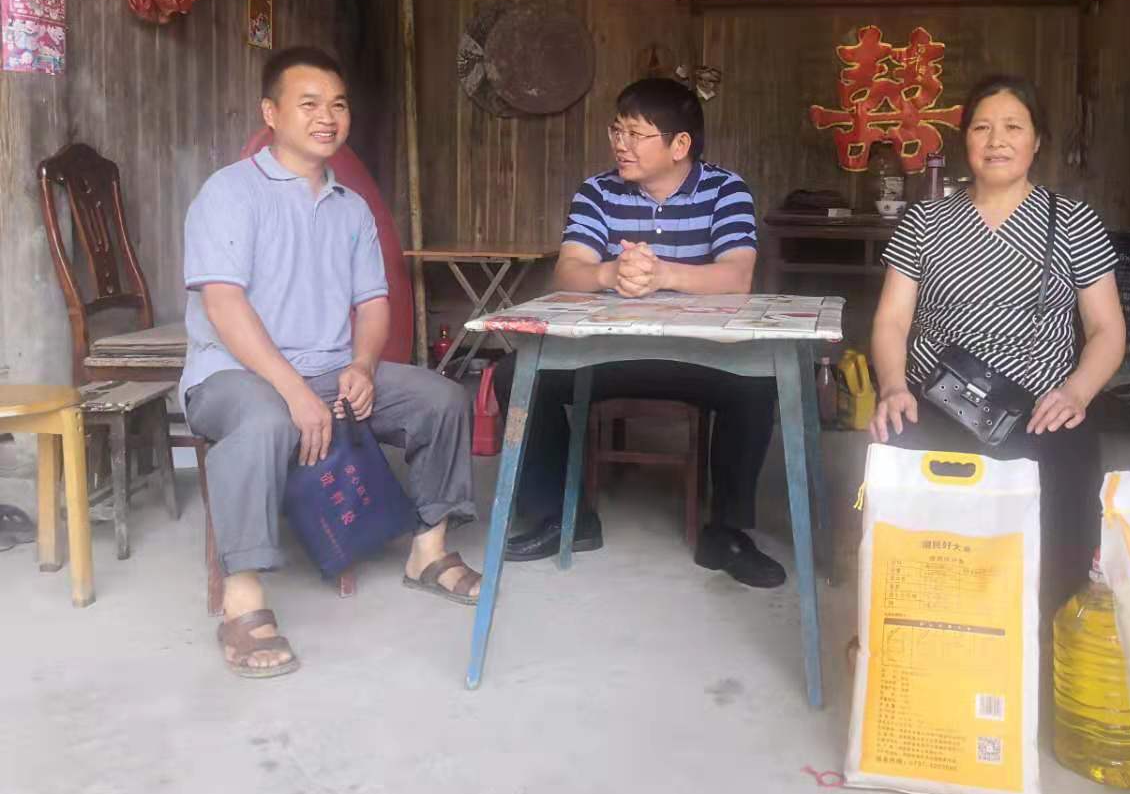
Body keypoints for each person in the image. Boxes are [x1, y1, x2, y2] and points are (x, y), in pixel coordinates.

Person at [182, 46, 479, 679]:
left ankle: (427, 551)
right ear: (271, 113)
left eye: (338, 105)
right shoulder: (230, 192)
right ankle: (242, 600)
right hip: (231, 376)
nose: (327, 117)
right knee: (265, 419)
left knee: (440, 399)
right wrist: (293, 390)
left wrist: (364, 366)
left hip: (328, 370)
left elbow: (373, 304)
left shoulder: (351, 208)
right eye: (309, 104)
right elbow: (224, 305)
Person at [491, 77, 785, 588]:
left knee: (757, 384)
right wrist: (609, 273)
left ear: (680, 144)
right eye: (616, 131)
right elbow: (568, 272)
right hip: (610, 353)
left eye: (635, 134)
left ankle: (726, 532)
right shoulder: (598, 191)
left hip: (702, 356)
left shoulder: (726, 190)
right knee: (517, 374)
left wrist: (662, 274)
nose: (620, 144)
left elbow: (737, 277)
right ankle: (563, 517)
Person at [868, 73, 1126, 622]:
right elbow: (891, 320)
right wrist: (892, 387)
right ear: (965, 140)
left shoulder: (1073, 222)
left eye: (1013, 127)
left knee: (1068, 476)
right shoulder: (925, 221)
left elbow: (1107, 329)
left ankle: (1044, 625)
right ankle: (915, 625)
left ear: (1037, 141)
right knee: (901, 454)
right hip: (937, 397)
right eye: (982, 128)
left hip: (1040, 405)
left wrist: (1076, 393)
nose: (997, 141)